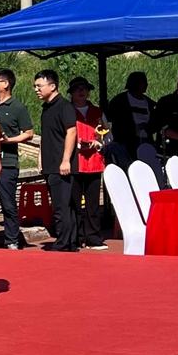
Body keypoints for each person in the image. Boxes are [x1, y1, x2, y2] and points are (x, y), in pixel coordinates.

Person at [36, 69, 78, 251]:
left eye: (39, 86)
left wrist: (66, 160)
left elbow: (71, 131)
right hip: (50, 164)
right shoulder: (46, 108)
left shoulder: (64, 106)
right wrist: (40, 157)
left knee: (62, 207)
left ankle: (63, 243)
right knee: (62, 205)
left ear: (52, 86)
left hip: (61, 165)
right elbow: (46, 137)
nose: (36, 89)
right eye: (35, 86)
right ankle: (69, 242)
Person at [0, 68, 34, 249]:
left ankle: (12, 240)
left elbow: (29, 133)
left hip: (7, 162)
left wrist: (8, 140)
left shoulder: (17, 107)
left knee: (8, 203)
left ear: (6, 84)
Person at [68, 77, 110, 249]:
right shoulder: (67, 111)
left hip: (94, 162)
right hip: (74, 162)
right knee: (74, 203)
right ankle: (77, 237)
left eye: (84, 88)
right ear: (71, 93)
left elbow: (108, 134)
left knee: (93, 204)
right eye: (77, 89)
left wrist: (98, 143)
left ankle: (93, 237)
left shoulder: (97, 112)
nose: (81, 92)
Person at [105, 70, 161, 177]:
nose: (146, 85)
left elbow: (156, 123)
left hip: (146, 142)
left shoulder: (150, 103)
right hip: (126, 144)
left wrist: (147, 127)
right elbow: (113, 121)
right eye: (143, 82)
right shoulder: (119, 102)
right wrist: (132, 128)